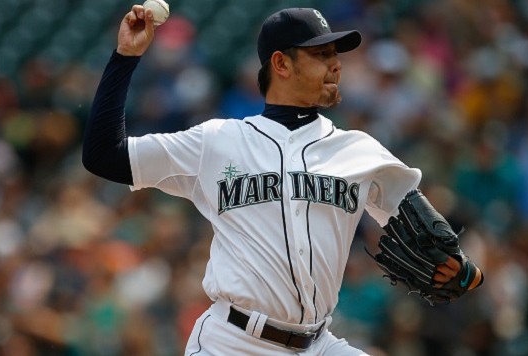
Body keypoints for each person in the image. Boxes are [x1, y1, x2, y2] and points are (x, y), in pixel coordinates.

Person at [83, 5, 482, 355]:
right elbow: (104, 155)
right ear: (281, 64)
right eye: (321, 54)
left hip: (319, 344)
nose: (336, 64)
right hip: (232, 343)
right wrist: (125, 58)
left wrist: (461, 269)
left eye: (335, 54)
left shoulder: (360, 151)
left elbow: (428, 233)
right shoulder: (217, 141)